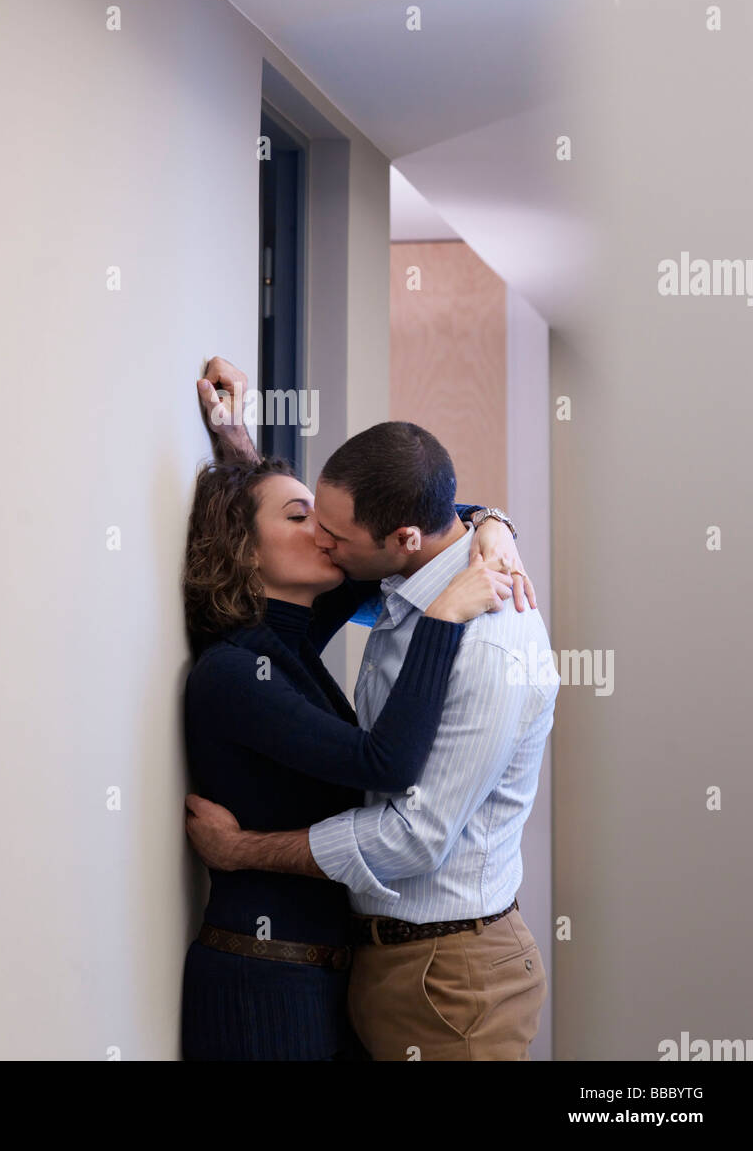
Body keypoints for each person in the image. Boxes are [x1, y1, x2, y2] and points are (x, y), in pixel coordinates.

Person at [186, 361, 557, 1061]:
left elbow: (413, 832)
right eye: (307, 521)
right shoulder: (377, 593)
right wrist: (236, 445)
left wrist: (242, 850)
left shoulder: (482, 638)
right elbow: (273, 580)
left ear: (403, 539)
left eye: (330, 532)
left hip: (448, 979)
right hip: (343, 969)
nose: (323, 540)